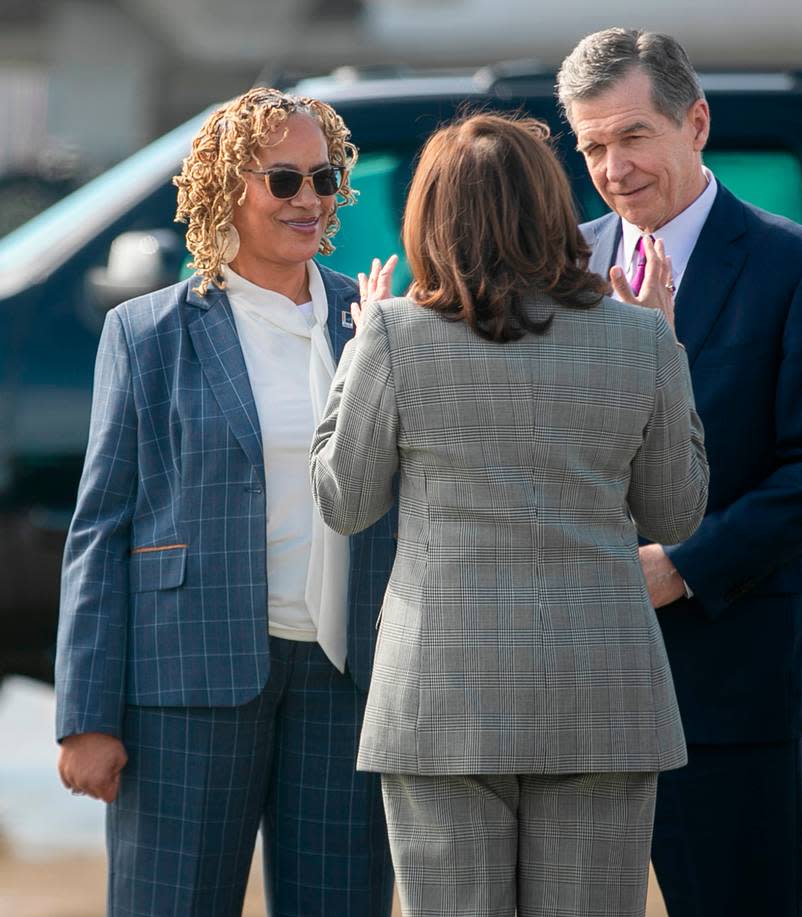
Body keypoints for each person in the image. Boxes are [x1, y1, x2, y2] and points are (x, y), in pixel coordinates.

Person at [310, 111, 708, 917]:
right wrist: (669, 345)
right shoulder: (639, 338)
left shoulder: (393, 333)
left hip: (440, 698)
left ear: (431, 214)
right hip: (601, 693)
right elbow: (677, 511)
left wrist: (356, 355)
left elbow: (343, 501)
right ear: (551, 207)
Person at [54, 87, 396, 916]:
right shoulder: (147, 332)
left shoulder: (379, 319)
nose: (310, 198)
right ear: (223, 187)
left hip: (349, 678)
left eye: (325, 176)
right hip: (187, 679)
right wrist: (85, 714)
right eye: (284, 181)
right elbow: (101, 526)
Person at [557, 27, 802, 916]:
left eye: (631, 136)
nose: (612, 167)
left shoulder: (798, 267)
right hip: (572, 674)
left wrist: (681, 568)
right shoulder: (560, 265)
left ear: (694, 122)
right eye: (591, 146)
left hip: (733, 674)